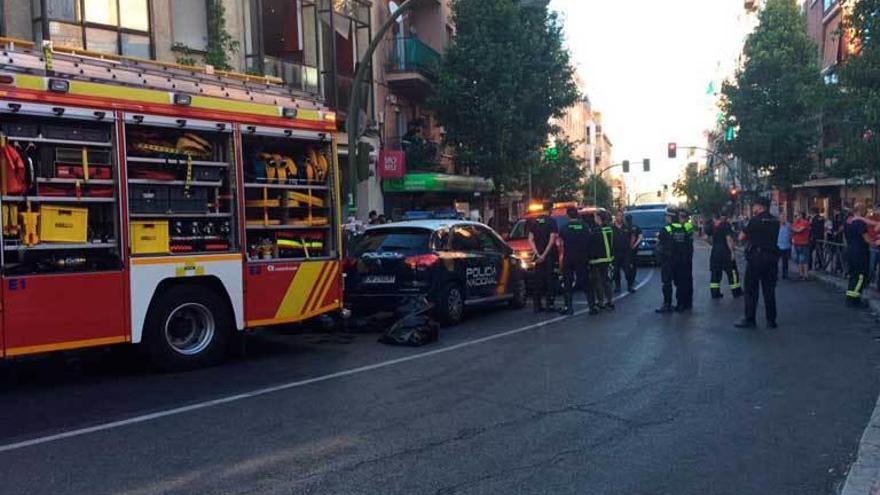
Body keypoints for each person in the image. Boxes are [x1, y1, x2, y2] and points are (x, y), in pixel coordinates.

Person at [735, 197, 780, 329]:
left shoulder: (755, 220)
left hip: (757, 258)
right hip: (772, 257)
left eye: (754, 206)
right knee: (769, 290)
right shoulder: (775, 221)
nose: (753, 208)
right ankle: (771, 320)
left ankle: (750, 319)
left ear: (760, 207)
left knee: (751, 289)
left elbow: (741, 236)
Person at [558, 207, 593, 315]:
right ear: (577, 215)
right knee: (586, 281)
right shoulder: (585, 227)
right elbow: (590, 240)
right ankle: (592, 306)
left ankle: (569, 307)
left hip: (569, 257)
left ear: (568, 215)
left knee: (567, 283)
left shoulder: (564, 228)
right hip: (582, 257)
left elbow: (560, 244)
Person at [528, 204, 559, 312]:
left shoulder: (535, 221)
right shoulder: (552, 221)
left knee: (538, 280)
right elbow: (552, 240)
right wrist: (545, 255)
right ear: (550, 209)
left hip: (538, 255)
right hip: (549, 255)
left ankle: (537, 305)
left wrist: (537, 254)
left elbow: (530, 239)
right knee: (550, 279)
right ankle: (549, 305)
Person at [845, 203, 877, 307]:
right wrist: (875, 242)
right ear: (861, 210)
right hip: (860, 253)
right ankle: (855, 299)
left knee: (853, 276)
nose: (866, 212)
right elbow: (866, 239)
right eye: (864, 210)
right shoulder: (860, 223)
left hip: (850, 251)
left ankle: (850, 297)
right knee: (860, 276)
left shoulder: (849, 221)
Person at [705, 211, 742, 299]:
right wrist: (732, 252)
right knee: (732, 272)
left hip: (715, 253)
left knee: (715, 273)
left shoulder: (711, 227)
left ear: (714, 218)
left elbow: (706, 237)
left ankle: (715, 293)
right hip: (725, 252)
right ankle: (736, 292)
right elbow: (728, 239)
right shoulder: (725, 225)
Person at [588, 210, 615, 312]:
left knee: (598, 282)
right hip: (608, 259)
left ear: (599, 218)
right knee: (607, 281)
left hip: (597, 260)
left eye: (595, 217)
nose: (594, 219)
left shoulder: (595, 231)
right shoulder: (609, 229)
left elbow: (591, 246)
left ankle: (601, 302)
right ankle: (610, 301)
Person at [671, 210, 695, 312]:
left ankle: (681, 303)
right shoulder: (687, 226)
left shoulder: (685, 227)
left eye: (682, 217)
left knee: (681, 282)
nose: (681, 219)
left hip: (682, 258)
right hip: (686, 258)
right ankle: (687, 303)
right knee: (687, 280)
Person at [656, 209, 677, 313]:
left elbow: (660, 238)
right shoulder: (679, 228)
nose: (665, 218)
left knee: (666, 283)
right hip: (677, 259)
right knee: (678, 282)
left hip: (667, 259)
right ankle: (680, 303)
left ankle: (667, 304)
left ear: (669, 217)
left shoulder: (665, 229)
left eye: (666, 216)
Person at [612, 211, 630, 293]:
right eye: (618, 216)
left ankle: (630, 286)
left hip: (625, 252)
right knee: (616, 271)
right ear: (615, 217)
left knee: (627, 270)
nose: (619, 217)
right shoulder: (611, 227)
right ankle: (617, 286)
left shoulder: (626, 227)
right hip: (615, 252)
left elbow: (631, 237)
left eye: (621, 216)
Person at [791, 212, 811, 281]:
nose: (795, 217)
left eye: (796, 215)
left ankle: (806, 275)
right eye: (795, 216)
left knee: (804, 259)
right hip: (797, 243)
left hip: (804, 243)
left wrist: (795, 229)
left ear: (801, 215)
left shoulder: (805, 222)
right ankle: (800, 274)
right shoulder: (795, 222)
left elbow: (799, 230)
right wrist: (795, 229)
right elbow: (793, 230)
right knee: (800, 259)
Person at [624, 214, 642, 293]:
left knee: (629, 268)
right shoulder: (635, 227)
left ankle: (630, 283)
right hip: (632, 251)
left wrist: (633, 245)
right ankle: (630, 283)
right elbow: (640, 237)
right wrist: (635, 245)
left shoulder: (626, 227)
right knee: (632, 268)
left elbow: (637, 237)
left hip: (627, 251)